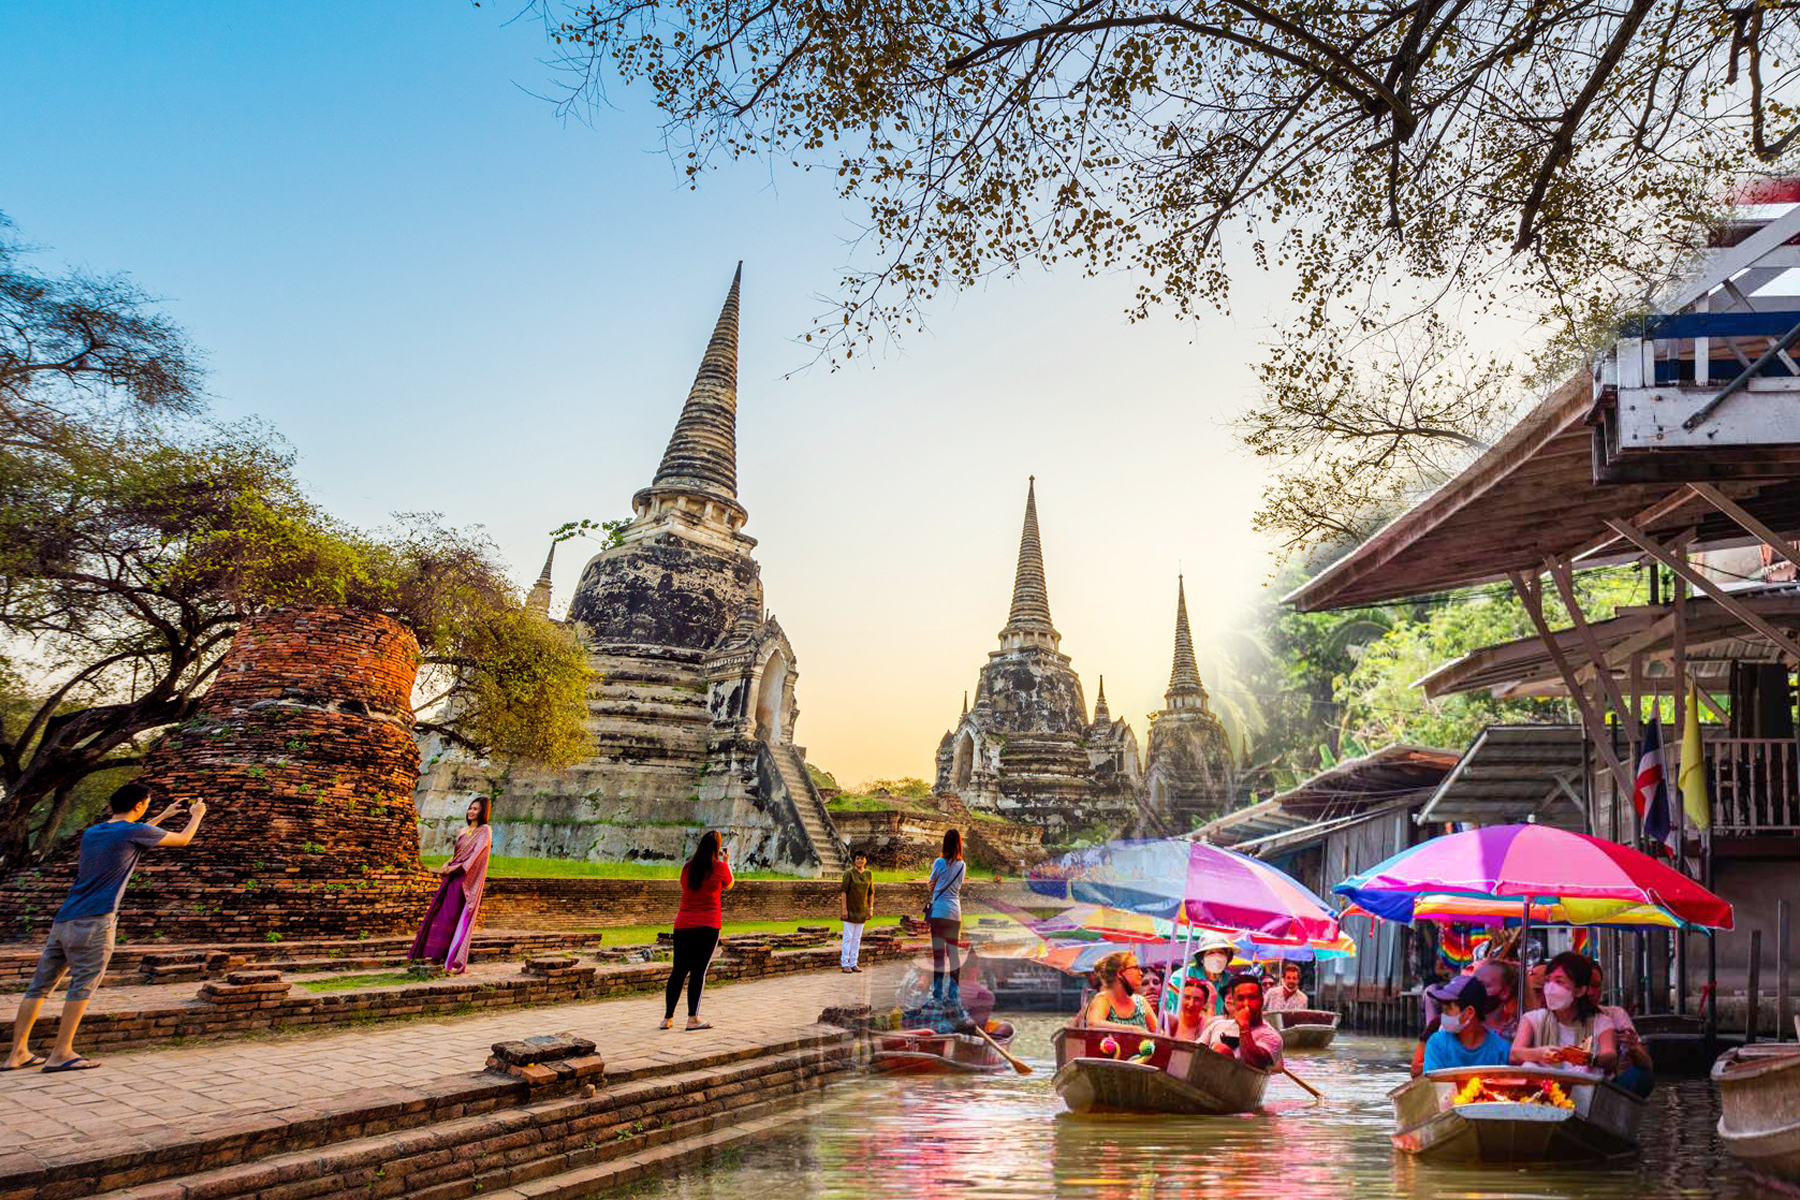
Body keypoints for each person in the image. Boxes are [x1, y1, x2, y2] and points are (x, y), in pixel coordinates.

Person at [5, 782, 205, 1073]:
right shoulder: (132, 831)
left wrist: (162, 815)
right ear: (138, 806)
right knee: (81, 985)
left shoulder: (94, 832)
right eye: (146, 805)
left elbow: (132, 835)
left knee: (39, 988)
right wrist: (196, 814)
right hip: (96, 919)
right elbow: (183, 840)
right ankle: (61, 1053)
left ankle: (17, 1054)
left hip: (65, 919)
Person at [409, 796, 494, 975]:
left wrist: (455, 868)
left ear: (483, 811)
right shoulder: (463, 830)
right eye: (470, 808)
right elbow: (457, 854)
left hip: (463, 880)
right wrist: (447, 864)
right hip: (450, 878)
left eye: (476, 809)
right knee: (438, 914)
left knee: (450, 917)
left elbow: (476, 856)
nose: (471, 812)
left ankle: (442, 955)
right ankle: (429, 953)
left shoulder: (484, 831)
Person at [662, 830, 734, 1031]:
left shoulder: (687, 868)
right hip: (708, 924)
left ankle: (667, 1018)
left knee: (678, 971)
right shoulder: (719, 868)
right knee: (698, 972)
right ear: (717, 849)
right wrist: (726, 862)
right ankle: (692, 1018)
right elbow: (729, 885)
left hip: (683, 924)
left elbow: (687, 887)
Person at [1511, 951, 1617, 1072]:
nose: (1550, 988)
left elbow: (1610, 1057)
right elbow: (1515, 1054)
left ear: (1580, 991)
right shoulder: (1532, 1019)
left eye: (1559, 982)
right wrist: (1539, 1053)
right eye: (1547, 981)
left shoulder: (1601, 1022)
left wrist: (1588, 1059)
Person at [1420, 976, 1513, 1071]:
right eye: (1443, 1009)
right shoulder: (1437, 1044)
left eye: (1448, 1009)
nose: (1443, 1015)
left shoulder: (1501, 1050)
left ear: (1469, 1012)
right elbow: (1434, 1083)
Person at [1589, 961, 1654, 1096]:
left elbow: (1648, 1065)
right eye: (1586, 985)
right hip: (1574, 1081)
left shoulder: (1614, 1015)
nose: (1590, 992)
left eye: (1596, 986)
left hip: (1608, 1083)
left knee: (1642, 1076)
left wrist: (1633, 1047)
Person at [1201, 972, 1283, 1070]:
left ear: (1261, 1000)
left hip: (1241, 1082)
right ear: (1234, 1002)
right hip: (1206, 1077)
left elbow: (1254, 1063)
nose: (1246, 1004)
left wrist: (1244, 1027)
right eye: (1240, 998)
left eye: (1252, 997)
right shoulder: (1217, 1025)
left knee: (1221, 1050)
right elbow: (1196, 1052)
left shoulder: (1271, 1036)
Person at [926, 829, 967, 1003]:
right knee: (953, 954)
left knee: (938, 955)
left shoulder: (939, 862)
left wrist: (933, 886)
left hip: (939, 912)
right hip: (954, 912)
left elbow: (930, 885)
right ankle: (953, 994)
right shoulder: (962, 865)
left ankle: (937, 994)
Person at [1163, 930, 1235, 1023]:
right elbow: (1167, 1008)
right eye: (1211, 953)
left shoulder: (1230, 982)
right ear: (1201, 958)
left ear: (1228, 957)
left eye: (1221, 952)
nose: (1217, 957)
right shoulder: (1181, 977)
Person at [1084, 951, 1159, 1032]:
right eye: (1135, 968)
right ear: (1120, 973)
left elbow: (1158, 1033)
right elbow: (1093, 1024)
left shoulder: (1140, 1001)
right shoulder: (1103, 999)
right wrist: (1133, 1029)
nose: (1141, 973)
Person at [839, 850, 874, 974]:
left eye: (862, 858)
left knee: (857, 938)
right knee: (847, 937)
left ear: (865, 860)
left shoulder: (868, 874)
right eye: (857, 858)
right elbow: (844, 891)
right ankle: (845, 963)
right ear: (854, 860)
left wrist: (870, 908)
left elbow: (870, 893)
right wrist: (844, 909)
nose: (860, 860)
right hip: (850, 909)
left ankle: (854, 962)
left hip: (862, 909)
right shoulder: (849, 874)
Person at [1472, 957, 1521, 1039]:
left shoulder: (1519, 1030)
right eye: (1473, 983)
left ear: (1505, 992)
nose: (1475, 989)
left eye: (1484, 985)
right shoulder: (1461, 1024)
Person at [1170, 973, 1213, 1042]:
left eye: (1197, 999)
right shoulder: (1170, 1022)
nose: (1191, 1004)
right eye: (1187, 997)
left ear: (1204, 1003)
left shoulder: (1207, 1027)